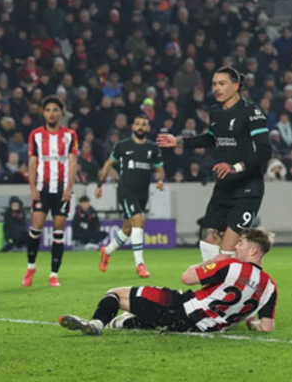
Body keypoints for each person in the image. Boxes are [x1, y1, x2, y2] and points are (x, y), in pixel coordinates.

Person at [59, 227, 277, 335]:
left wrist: (212, 260)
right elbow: (266, 327)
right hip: (202, 329)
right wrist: (251, 322)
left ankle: (96, 324)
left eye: (241, 243)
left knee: (116, 293)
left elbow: (187, 278)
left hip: (181, 309)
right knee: (140, 316)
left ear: (253, 251)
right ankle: (121, 322)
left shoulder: (231, 265)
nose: (236, 247)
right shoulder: (270, 287)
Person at [157, 66, 272, 261]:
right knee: (207, 241)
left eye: (222, 83)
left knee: (227, 251)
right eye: (214, 84)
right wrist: (179, 141)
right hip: (224, 186)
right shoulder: (216, 111)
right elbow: (211, 138)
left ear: (235, 86)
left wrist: (235, 167)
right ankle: (214, 288)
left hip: (247, 189)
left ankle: (237, 286)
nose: (216, 88)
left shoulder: (250, 111)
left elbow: (264, 150)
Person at [95, 115, 165, 278]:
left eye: (144, 125)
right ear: (133, 127)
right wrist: (100, 184)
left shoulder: (153, 148)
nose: (141, 127)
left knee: (127, 228)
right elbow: (108, 164)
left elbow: (159, 168)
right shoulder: (122, 146)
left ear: (147, 129)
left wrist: (160, 180)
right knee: (139, 220)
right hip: (126, 191)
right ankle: (140, 264)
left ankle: (107, 251)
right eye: (138, 124)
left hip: (142, 193)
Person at [24, 96, 79, 288]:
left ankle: (54, 274)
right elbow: (32, 163)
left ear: (61, 113)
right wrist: (32, 188)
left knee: (58, 230)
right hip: (42, 188)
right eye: (48, 110)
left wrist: (69, 189)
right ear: (43, 112)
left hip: (61, 190)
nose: (52, 113)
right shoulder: (36, 135)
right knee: (36, 227)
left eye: (55, 110)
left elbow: (72, 162)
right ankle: (31, 267)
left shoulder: (70, 135)